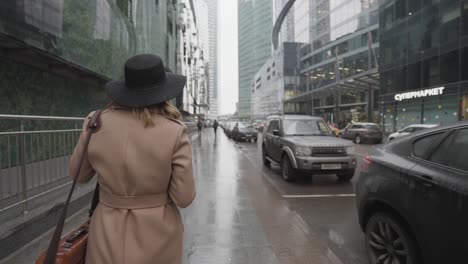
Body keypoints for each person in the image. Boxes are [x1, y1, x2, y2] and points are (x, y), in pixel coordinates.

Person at [70, 54, 196, 264]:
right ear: (163, 91)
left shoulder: (95, 123)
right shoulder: (175, 131)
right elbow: (184, 197)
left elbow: (78, 175)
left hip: (106, 233)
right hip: (159, 236)